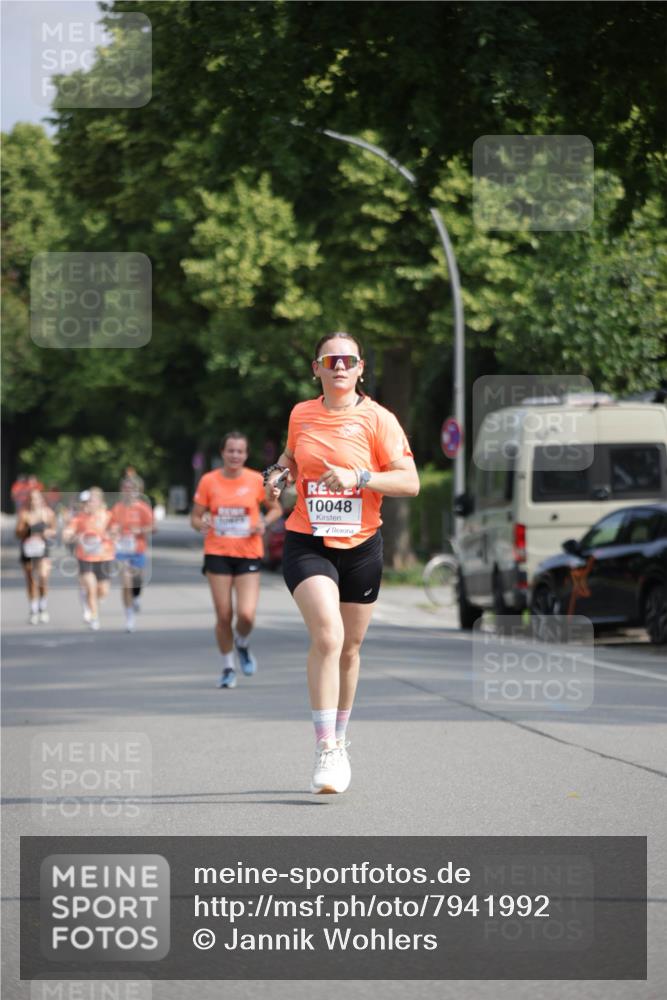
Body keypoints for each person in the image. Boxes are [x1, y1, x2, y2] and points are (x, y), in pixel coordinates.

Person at [265, 332, 419, 795]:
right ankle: (325, 745)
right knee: (328, 636)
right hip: (307, 538)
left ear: (360, 368)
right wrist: (276, 476)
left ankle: (341, 736)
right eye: (330, 360)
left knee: (350, 648)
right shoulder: (301, 413)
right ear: (316, 368)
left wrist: (360, 476)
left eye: (347, 360)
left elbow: (409, 482)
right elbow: (290, 458)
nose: (338, 366)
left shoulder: (379, 419)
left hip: (362, 544)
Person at [191, 432, 283, 688]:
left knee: (246, 615)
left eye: (240, 451)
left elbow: (276, 509)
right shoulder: (209, 481)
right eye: (230, 450)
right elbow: (195, 517)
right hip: (217, 552)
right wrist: (203, 523)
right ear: (222, 453)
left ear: (246, 454)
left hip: (248, 553)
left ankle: (242, 643)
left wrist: (263, 522)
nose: (235, 455)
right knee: (224, 615)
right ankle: (228, 666)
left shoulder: (256, 480)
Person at [62, 487, 114, 631]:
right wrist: (70, 535)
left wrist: (112, 534)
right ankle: (94, 616)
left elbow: (117, 530)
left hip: (104, 556)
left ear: (100, 502)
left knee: (103, 590)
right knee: (90, 587)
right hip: (85, 557)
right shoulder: (80, 517)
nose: (90, 503)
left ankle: (92, 602)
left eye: (93, 500)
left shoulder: (108, 516)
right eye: (89, 500)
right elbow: (68, 531)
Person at [109, 476, 155, 632]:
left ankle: (136, 597)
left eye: (131, 489)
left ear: (137, 491)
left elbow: (152, 528)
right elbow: (110, 527)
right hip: (121, 551)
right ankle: (129, 617)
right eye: (125, 489)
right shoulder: (117, 508)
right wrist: (113, 531)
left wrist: (140, 530)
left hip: (137, 550)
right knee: (126, 583)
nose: (128, 492)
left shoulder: (143, 508)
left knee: (137, 581)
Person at [16, 488, 57, 624]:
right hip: (28, 549)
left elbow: (54, 530)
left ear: (41, 499)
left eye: (37, 498)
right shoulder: (24, 515)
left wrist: (48, 532)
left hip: (42, 549)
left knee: (43, 577)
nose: (35, 501)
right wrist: (26, 530)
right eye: (32, 499)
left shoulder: (48, 514)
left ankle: (43, 606)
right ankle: (33, 609)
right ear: (29, 501)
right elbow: (17, 533)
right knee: (31, 580)